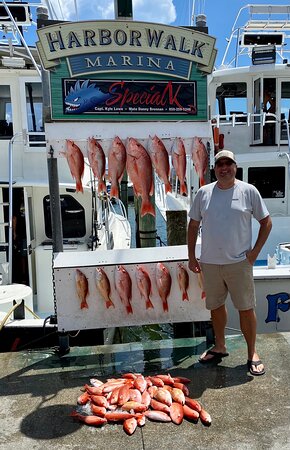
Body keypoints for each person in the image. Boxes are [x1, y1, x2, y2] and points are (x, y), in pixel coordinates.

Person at [187, 150, 272, 376]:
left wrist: (254, 253)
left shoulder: (248, 191)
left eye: (228, 163)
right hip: (210, 263)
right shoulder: (204, 193)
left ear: (235, 166)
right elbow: (193, 226)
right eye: (220, 164)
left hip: (239, 263)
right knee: (215, 307)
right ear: (214, 168)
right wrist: (192, 256)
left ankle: (252, 352)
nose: (224, 168)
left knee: (246, 308)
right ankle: (220, 346)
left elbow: (266, 223)